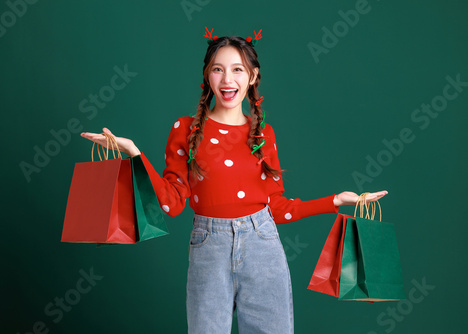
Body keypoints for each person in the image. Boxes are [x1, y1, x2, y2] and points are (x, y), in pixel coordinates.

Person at [80, 27, 387, 334]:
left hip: (263, 246)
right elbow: (171, 204)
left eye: (237, 69)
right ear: (207, 76)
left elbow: (277, 208)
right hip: (208, 247)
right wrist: (135, 154)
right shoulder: (184, 129)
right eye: (218, 69)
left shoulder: (263, 134)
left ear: (253, 76)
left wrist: (336, 201)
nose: (228, 80)